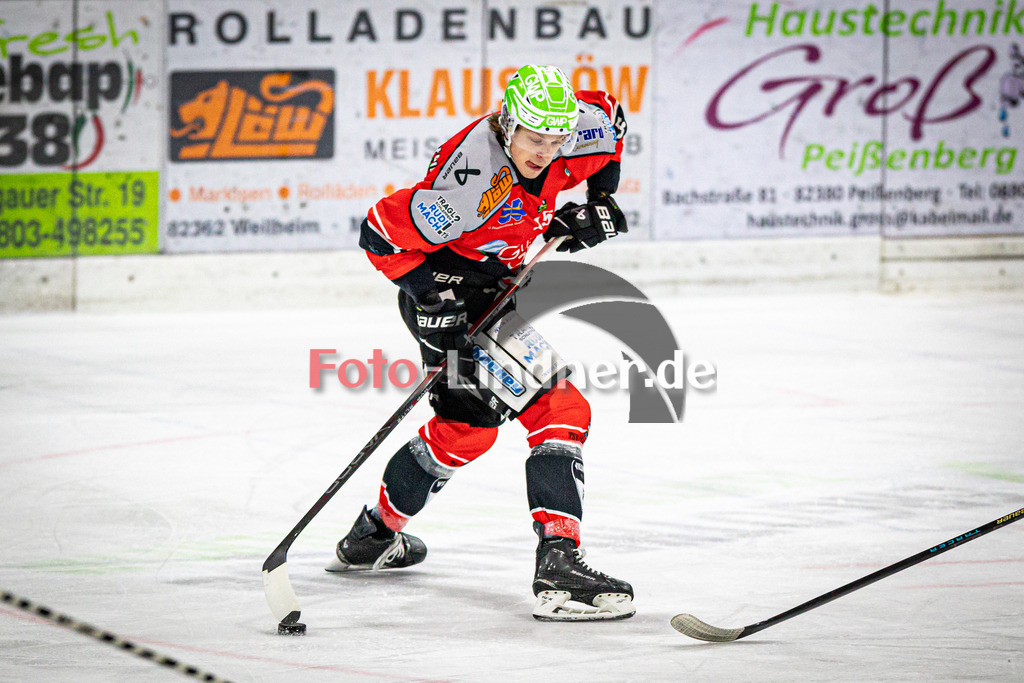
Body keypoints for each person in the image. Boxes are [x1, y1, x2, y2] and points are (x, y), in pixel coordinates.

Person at [328, 64, 633, 621]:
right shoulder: (471, 183)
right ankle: (559, 565)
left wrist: (600, 201)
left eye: (555, 140)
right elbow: (378, 233)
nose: (544, 152)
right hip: (450, 300)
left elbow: (611, 119)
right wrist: (432, 301)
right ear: (506, 123)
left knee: (466, 433)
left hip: (493, 292)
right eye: (533, 139)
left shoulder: (571, 124)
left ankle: (374, 536)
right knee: (561, 407)